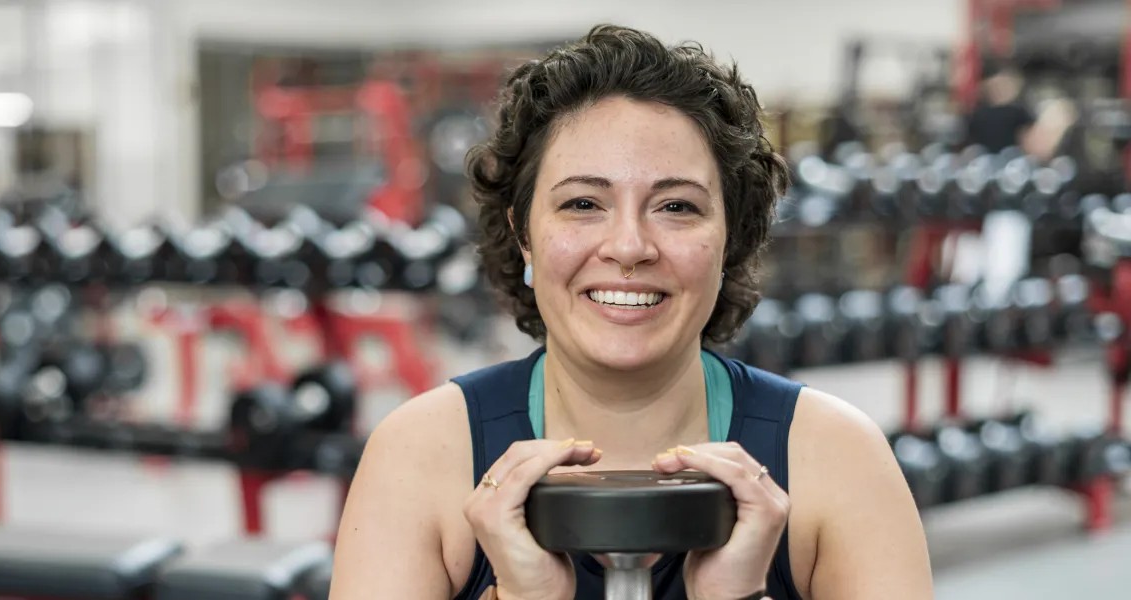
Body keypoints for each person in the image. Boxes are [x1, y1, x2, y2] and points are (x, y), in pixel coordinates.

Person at [330, 24, 933, 600]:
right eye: (584, 203)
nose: (629, 247)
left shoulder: (836, 459)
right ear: (524, 237)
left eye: (675, 206)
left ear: (732, 237)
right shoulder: (419, 457)